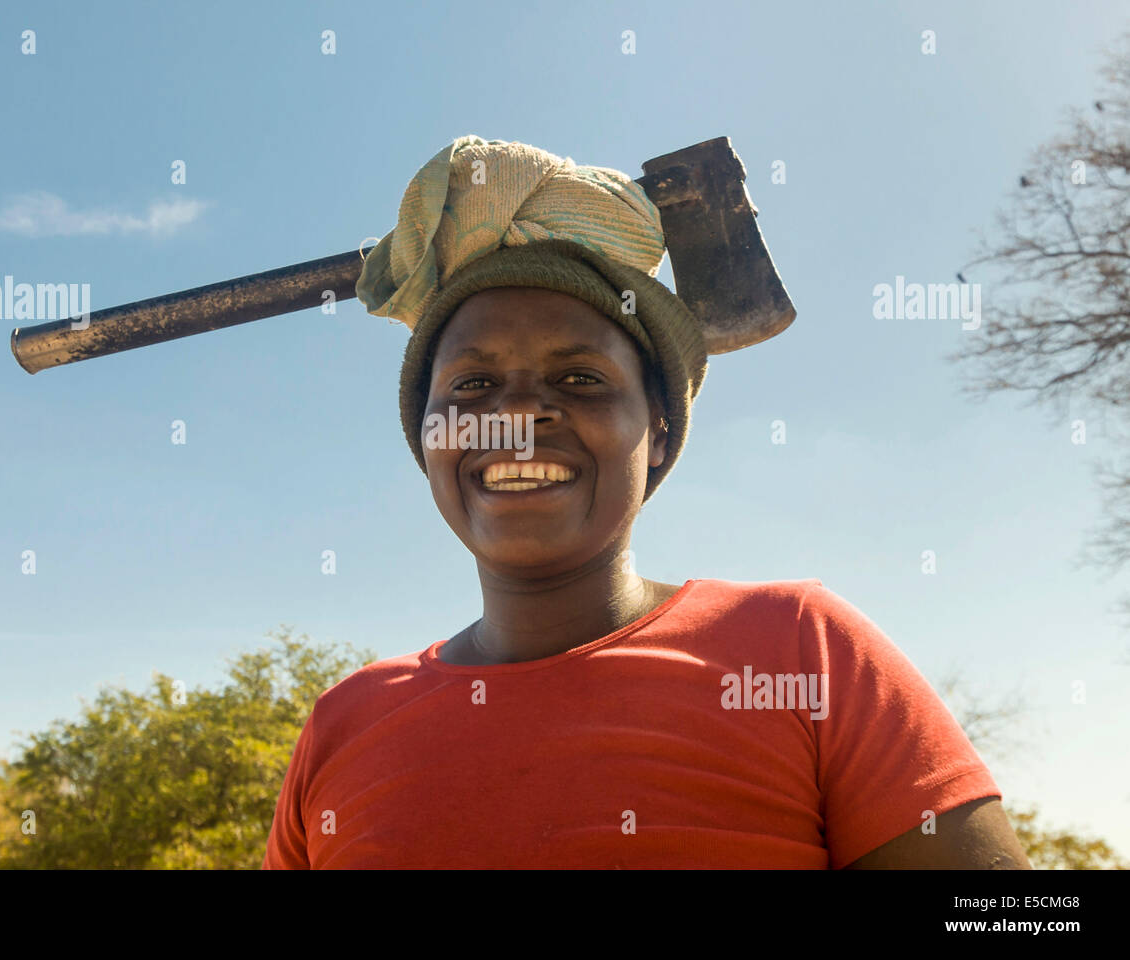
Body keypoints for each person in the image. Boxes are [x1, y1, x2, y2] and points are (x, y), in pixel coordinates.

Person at [262, 135, 1030, 869]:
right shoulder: (342, 723)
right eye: (471, 385)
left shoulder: (800, 650)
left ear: (658, 432)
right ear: (426, 433)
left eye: (581, 379)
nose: (520, 414)